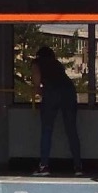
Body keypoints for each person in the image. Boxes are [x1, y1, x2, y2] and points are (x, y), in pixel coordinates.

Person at [32, 46, 84, 176]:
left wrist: (40, 92)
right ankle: (78, 166)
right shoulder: (57, 64)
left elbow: (37, 82)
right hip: (69, 92)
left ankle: (44, 166)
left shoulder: (37, 63)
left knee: (47, 130)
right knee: (71, 130)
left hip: (51, 92)